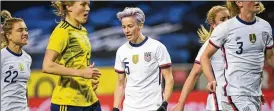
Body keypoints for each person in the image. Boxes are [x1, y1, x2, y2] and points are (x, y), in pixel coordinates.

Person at [201, 1, 273, 111]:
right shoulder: (226, 28)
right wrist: (211, 80)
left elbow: (270, 57)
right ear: (239, 2)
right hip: (234, 94)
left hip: (254, 94)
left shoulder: (265, 26)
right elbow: (204, 56)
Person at [42, 1, 102, 111]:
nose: (88, 8)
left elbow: (77, 63)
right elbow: (47, 65)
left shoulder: (83, 30)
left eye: (88, 4)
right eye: (83, 4)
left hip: (90, 100)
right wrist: (81, 73)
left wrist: (87, 81)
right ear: (68, 6)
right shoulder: (62, 31)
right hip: (68, 103)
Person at [113, 7, 174, 111]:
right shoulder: (121, 51)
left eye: (130, 26)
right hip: (129, 108)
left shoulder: (157, 47)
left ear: (140, 25)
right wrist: (115, 107)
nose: (126, 31)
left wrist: (164, 104)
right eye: (123, 27)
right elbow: (120, 84)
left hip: (153, 107)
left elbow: (169, 79)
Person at [173, 5, 230, 111]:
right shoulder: (209, 45)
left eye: (229, 18)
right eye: (222, 19)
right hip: (220, 103)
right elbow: (194, 74)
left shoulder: (239, 41)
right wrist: (181, 103)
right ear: (213, 24)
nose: (227, 21)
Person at [1, 10, 32, 111]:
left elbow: (23, 87)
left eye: (26, 30)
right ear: (8, 35)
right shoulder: (2, 56)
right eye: (20, 30)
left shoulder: (27, 58)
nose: (25, 33)